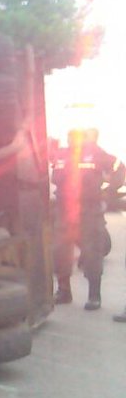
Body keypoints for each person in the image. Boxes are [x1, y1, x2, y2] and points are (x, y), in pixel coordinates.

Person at [52, 129, 124, 310]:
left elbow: (119, 168)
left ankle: (94, 296)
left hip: (89, 212)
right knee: (60, 252)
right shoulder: (60, 155)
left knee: (92, 254)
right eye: (69, 136)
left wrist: (109, 192)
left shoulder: (95, 153)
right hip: (64, 211)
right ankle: (64, 291)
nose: (72, 140)